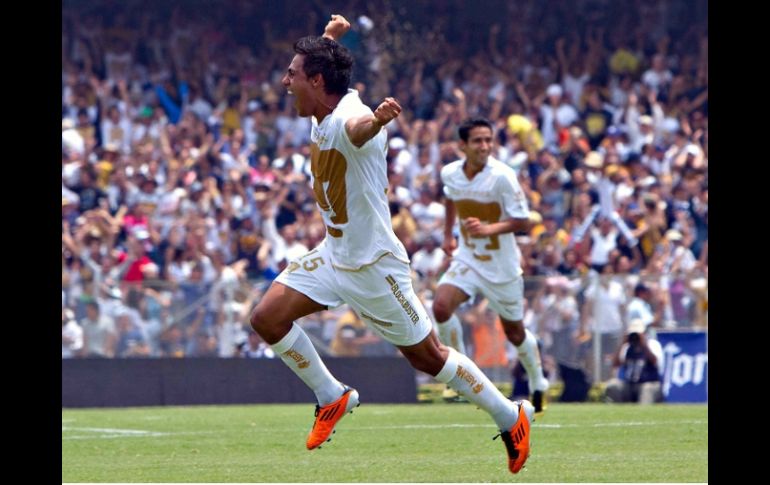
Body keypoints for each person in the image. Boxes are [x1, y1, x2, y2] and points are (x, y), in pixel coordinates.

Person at [248, 15, 534, 474]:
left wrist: (378, 122)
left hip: (374, 266)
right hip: (334, 254)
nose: (285, 82)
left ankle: (510, 415)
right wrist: (329, 37)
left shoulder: (349, 119)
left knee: (429, 358)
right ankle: (331, 395)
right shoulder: (328, 100)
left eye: (292, 75)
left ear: (316, 81)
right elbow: (330, 81)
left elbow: (360, 129)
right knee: (266, 318)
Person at [431, 117, 549, 414]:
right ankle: (458, 374)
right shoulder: (450, 174)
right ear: (463, 146)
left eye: (488, 140)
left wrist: (488, 229)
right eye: (477, 141)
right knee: (441, 307)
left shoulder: (503, 176)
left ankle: (538, 380)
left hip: (502, 268)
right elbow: (450, 199)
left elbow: (523, 221)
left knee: (515, 333)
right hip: (469, 258)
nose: (484, 146)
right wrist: (448, 235)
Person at [604, 319, 664, 404]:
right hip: (629, 384)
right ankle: (619, 411)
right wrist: (622, 343)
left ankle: (643, 413)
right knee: (613, 385)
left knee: (646, 390)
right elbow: (615, 364)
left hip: (649, 383)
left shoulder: (652, 344)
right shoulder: (627, 347)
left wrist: (643, 344)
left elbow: (655, 361)